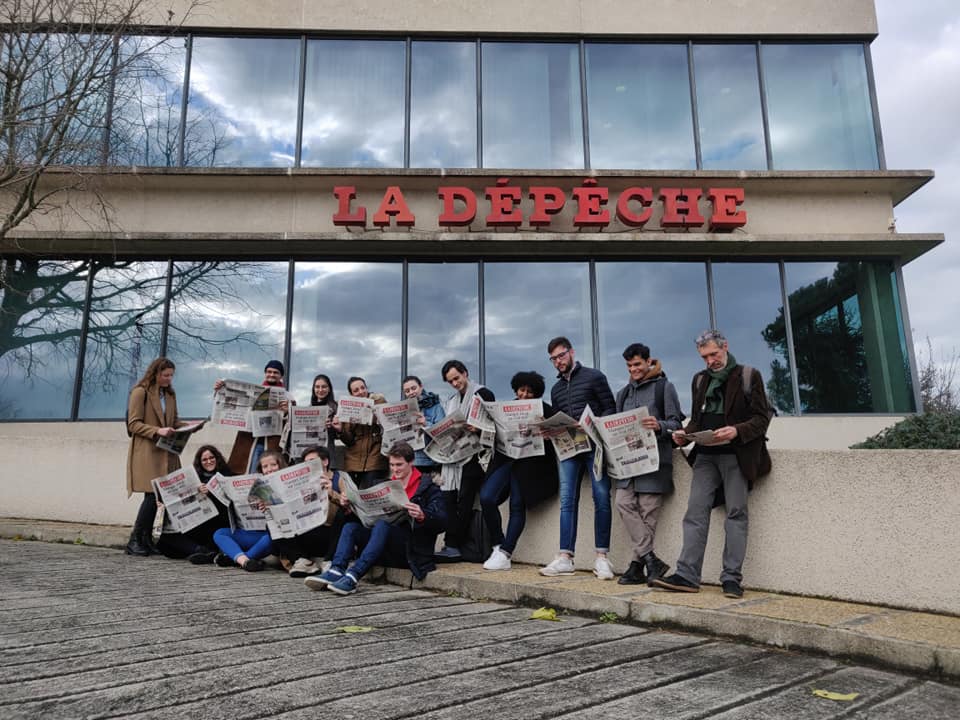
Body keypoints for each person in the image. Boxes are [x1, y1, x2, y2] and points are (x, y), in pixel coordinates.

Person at [652, 329, 772, 599]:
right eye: (704, 357)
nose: (709, 361)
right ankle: (687, 575)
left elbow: (761, 419)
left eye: (713, 354)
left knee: (736, 515)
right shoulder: (699, 380)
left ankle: (731, 579)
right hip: (705, 456)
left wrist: (736, 431)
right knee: (694, 513)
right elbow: (697, 420)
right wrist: (684, 436)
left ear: (725, 347)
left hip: (737, 456)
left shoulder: (748, 375)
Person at [305, 442, 446, 595]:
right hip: (380, 544)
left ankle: (353, 576)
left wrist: (422, 514)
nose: (395, 469)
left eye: (399, 465)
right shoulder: (383, 484)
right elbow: (365, 518)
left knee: (382, 525)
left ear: (411, 463)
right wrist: (349, 505)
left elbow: (442, 521)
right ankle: (336, 570)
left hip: (409, 548)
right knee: (350, 527)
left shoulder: (428, 487)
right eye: (391, 465)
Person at [540, 336, 617, 579]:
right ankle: (565, 558)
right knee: (567, 500)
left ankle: (602, 557)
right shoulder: (556, 389)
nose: (558, 362)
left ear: (572, 352)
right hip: (569, 449)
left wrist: (592, 425)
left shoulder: (595, 377)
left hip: (595, 446)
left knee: (602, 496)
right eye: (553, 359)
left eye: (561, 356)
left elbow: (610, 409)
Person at [613, 343, 685, 585]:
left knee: (648, 514)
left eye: (637, 364)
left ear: (648, 361)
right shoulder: (622, 394)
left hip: (654, 463)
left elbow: (677, 424)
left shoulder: (664, 387)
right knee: (622, 503)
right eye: (629, 365)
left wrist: (660, 425)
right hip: (628, 465)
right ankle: (651, 559)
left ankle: (636, 567)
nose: (633, 369)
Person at [480, 371, 560, 571]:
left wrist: (545, 435)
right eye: (521, 390)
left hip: (530, 466)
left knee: (517, 504)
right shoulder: (505, 409)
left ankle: (506, 552)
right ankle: (498, 545)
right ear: (516, 389)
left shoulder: (544, 409)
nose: (524, 395)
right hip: (506, 460)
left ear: (536, 393)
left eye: (529, 392)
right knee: (487, 497)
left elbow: (557, 436)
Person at [125, 357, 193, 557]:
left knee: (161, 495)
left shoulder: (170, 394)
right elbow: (133, 424)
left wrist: (189, 425)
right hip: (148, 451)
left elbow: (174, 421)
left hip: (167, 452)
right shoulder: (140, 392)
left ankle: (145, 541)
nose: (169, 379)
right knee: (151, 494)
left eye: (171, 375)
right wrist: (157, 430)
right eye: (165, 375)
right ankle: (134, 540)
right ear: (155, 373)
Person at [434, 360, 495, 561]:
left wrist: (478, 428)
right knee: (449, 499)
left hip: (476, 455)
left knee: (465, 500)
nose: (454, 383)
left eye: (456, 378)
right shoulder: (452, 401)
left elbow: (496, 426)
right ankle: (451, 543)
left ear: (465, 373)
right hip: (454, 456)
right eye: (450, 381)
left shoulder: (483, 394)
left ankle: (453, 544)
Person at [269, 445, 350, 577]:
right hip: (306, 532)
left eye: (312, 461)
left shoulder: (339, 479)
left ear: (325, 461)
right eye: (306, 463)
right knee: (273, 521)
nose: (309, 465)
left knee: (342, 517)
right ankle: (302, 561)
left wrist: (332, 494)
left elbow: (349, 508)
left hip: (330, 534)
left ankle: (329, 561)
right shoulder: (299, 482)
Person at [156, 445, 233, 564]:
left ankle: (200, 551)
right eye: (204, 460)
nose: (209, 461)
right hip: (195, 524)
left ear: (217, 458)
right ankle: (201, 551)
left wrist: (211, 494)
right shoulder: (195, 478)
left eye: (212, 458)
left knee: (176, 545)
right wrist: (163, 504)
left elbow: (228, 507)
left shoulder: (227, 475)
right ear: (200, 462)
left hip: (215, 524)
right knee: (164, 541)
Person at [211, 450, 282, 571]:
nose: (269, 469)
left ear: (280, 465)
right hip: (250, 533)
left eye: (273, 465)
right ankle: (245, 561)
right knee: (220, 533)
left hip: (269, 536)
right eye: (265, 466)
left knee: (271, 539)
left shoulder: (284, 485)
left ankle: (238, 559)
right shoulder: (256, 484)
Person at [216, 360, 289, 474]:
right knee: (249, 472)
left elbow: (292, 422)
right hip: (250, 441)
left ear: (281, 376)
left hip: (272, 443)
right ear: (265, 373)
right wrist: (221, 389)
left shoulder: (288, 397)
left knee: (271, 475)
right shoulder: (252, 391)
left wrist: (286, 412)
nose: (272, 375)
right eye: (269, 372)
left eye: (275, 372)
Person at [330, 376, 388, 485]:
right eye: (356, 390)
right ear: (351, 394)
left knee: (369, 493)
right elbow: (349, 441)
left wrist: (376, 416)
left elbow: (389, 426)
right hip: (353, 460)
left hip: (375, 459)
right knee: (351, 495)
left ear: (367, 388)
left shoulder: (379, 402)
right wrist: (340, 430)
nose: (361, 392)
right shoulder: (347, 408)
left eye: (363, 388)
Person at [401, 374, 445, 478]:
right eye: (407, 391)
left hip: (431, 461)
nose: (411, 392)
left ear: (421, 386)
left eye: (413, 388)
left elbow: (444, 433)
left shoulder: (435, 406)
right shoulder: (403, 409)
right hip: (411, 461)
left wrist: (426, 423)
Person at [309, 373, 339, 462]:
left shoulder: (336, 408)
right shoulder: (308, 408)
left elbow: (342, 434)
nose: (320, 390)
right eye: (317, 387)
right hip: (310, 454)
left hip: (328, 453)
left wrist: (332, 427)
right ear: (313, 389)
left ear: (329, 389)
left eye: (324, 387)